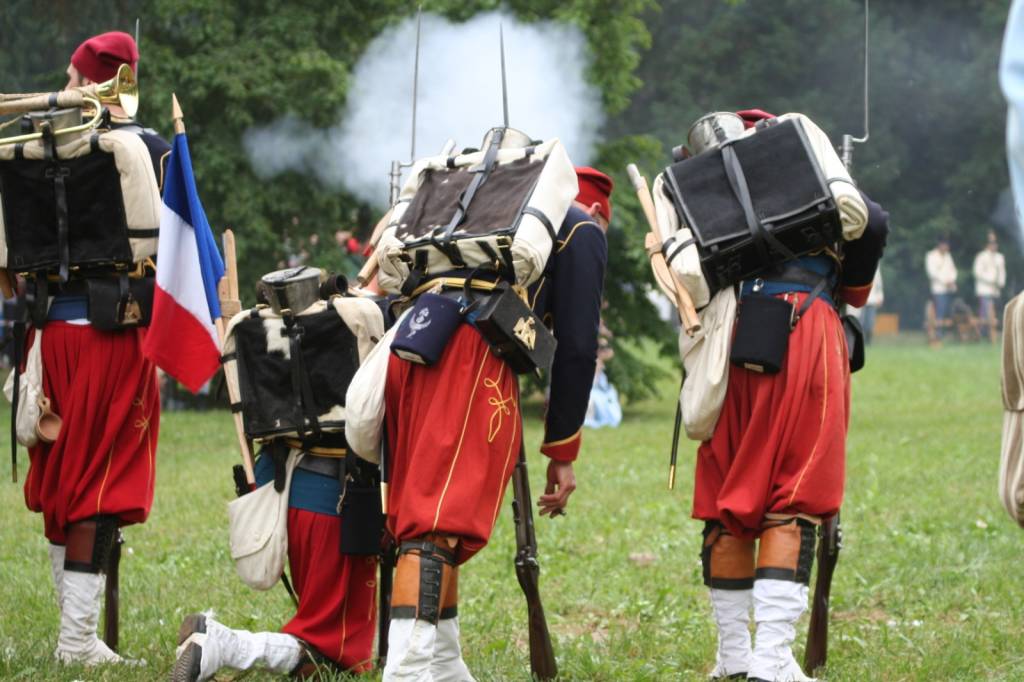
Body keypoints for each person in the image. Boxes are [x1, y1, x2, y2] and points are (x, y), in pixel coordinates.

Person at [379, 166, 610, 679]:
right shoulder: (582, 227)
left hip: (413, 345)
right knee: (434, 526)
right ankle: (407, 672)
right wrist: (562, 451)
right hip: (470, 357)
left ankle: (443, 663)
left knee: (430, 516)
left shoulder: (477, 224)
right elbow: (575, 347)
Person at [683, 110, 888, 682]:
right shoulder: (802, 171)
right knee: (791, 501)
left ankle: (733, 657)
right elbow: (868, 231)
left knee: (728, 497)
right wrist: (849, 279)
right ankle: (771, 661)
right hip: (803, 329)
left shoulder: (703, 185)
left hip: (728, 335)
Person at [5, 31, 170, 665]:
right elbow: (172, 248)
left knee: (68, 482)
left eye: (75, 76)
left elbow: (6, 267)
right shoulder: (145, 148)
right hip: (110, 343)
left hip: (49, 341)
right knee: (100, 486)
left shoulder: (22, 149)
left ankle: (78, 638)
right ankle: (76, 643)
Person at [171, 271, 387, 681]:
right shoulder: (356, 317)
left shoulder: (267, 327)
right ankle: (218, 643)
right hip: (339, 509)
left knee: (325, 648)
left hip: (290, 501)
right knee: (335, 651)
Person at [973, 231, 1006, 342]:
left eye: (995, 243)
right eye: (991, 243)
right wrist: (991, 280)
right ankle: (983, 334)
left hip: (995, 290)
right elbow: (977, 272)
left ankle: (993, 333)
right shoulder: (981, 256)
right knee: (985, 313)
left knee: (994, 313)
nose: (994, 245)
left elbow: (1002, 272)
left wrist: (1001, 282)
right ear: (987, 245)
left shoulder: (1000, 257)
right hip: (984, 289)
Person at [925, 238, 957, 341]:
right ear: (940, 245)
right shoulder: (931, 256)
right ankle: (937, 334)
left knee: (946, 311)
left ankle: (942, 332)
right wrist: (945, 281)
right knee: (939, 311)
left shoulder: (948, 256)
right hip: (938, 289)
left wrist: (951, 280)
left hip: (949, 289)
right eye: (945, 245)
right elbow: (932, 273)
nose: (946, 248)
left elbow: (953, 270)